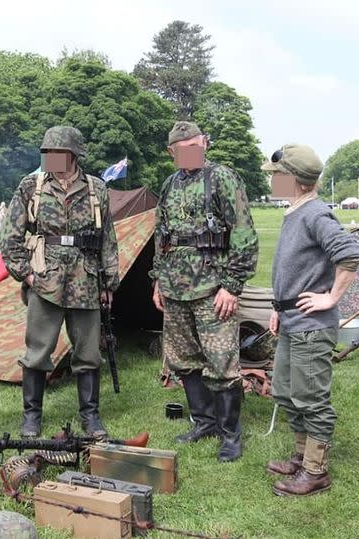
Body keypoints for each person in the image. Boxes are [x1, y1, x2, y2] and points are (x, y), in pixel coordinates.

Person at [0, 126, 119, 439]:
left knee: (88, 352)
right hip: (44, 280)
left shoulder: (96, 189)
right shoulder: (32, 186)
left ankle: (91, 417)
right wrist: (24, 272)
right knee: (37, 351)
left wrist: (109, 283)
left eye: (58, 153)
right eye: (47, 153)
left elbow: (108, 238)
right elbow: (9, 234)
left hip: (86, 279)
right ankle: (31, 417)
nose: (51, 158)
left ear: (74, 155)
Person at [150, 121, 258, 463]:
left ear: (205, 144)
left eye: (194, 145)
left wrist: (232, 285)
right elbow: (161, 236)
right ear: (172, 152)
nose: (189, 153)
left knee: (222, 362)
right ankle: (205, 422)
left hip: (213, 288)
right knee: (183, 360)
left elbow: (243, 233)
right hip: (176, 288)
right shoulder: (169, 185)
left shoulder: (221, 178)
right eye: (182, 149)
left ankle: (230, 435)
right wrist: (158, 279)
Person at [263, 144, 359, 496]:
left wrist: (331, 298)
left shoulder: (316, 214)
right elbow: (294, 270)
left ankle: (316, 472)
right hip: (292, 322)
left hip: (311, 328)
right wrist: (278, 307)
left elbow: (350, 254)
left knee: (311, 399)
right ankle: (302, 458)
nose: (273, 181)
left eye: (277, 177)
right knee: (287, 393)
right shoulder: (296, 210)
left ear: (297, 181)